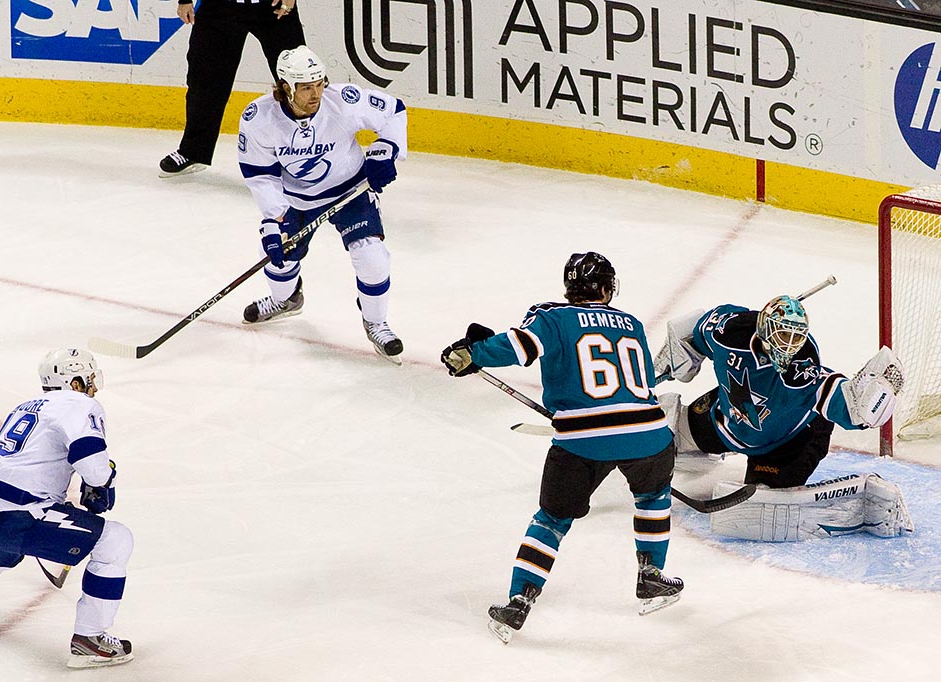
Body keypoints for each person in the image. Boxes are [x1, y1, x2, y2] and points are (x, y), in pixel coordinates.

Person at [441, 252, 684, 644]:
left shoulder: (553, 318)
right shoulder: (634, 323)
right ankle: (652, 576)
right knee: (653, 496)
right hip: (648, 432)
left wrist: (474, 352)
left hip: (582, 438)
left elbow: (519, 346)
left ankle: (519, 601)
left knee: (552, 520)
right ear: (607, 288)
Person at [0, 349, 134, 669]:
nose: (92, 387)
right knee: (115, 540)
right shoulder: (80, 403)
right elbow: (92, 466)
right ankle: (90, 638)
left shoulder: (26, 406)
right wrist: (106, 481)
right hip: (20, 510)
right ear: (74, 381)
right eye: (88, 379)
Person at [655, 296, 913, 541]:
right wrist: (671, 360)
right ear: (765, 329)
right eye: (783, 335)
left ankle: (861, 509)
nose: (788, 345)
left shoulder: (804, 371)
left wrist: (873, 397)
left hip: (786, 444)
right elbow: (692, 333)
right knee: (657, 427)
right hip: (724, 419)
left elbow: (852, 410)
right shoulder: (728, 331)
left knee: (758, 507)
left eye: (795, 337)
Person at [237, 45, 407, 362]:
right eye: (306, 87)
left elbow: (393, 110)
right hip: (296, 200)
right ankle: (287, 299)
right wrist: (273, 221)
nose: (315, 94)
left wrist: (386, 148)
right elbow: (261, 175)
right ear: (286, 88)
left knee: (372, 257)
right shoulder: (259, 119)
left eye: (319, 83)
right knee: (274, 256)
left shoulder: (343, 101)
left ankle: (376, 321)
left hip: (350, 192)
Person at [159, 0, 306, 178]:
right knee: (204, 80)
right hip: (219, 7)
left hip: (273, 7)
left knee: (300, 79)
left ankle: (310, 151)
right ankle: (193, 151)